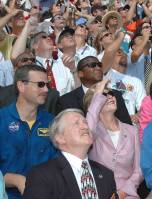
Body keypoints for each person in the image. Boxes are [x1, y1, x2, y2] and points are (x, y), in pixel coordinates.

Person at [23, 109, 117, 199]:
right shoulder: (42, 175)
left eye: (85, 122)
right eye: (76, 123)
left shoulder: (106, 174)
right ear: (60, 138)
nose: (85, 127)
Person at [0, 64, 58, 199]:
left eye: (47, 85)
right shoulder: (2, 119)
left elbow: (60, 164)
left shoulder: (52, 122)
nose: (46, 90)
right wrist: (14, 179)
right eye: (40, 84)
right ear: (21, 86)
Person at [85, 80, 143, 199]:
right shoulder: (90, 130)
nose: (110, 96)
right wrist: (97, 95)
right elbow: (88, 131)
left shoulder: (132, 131)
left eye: (111, 93)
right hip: (98, 192)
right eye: (104, 95)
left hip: (127, 194)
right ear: (93, 104)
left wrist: (122, 193)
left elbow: (139, 170)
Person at [56, 56, 131, 124]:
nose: (98, 68)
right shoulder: (66, 101)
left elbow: (126, 125)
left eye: (99, 65)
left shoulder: (114, 95)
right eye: (92, 65)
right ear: (80, 74)